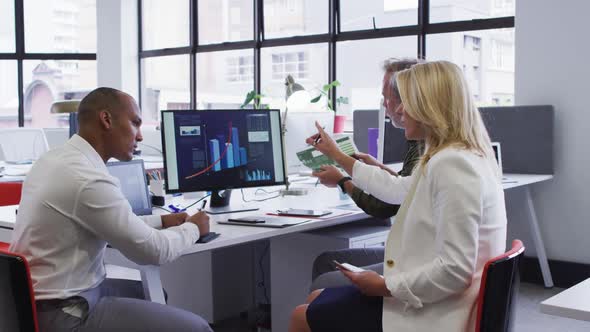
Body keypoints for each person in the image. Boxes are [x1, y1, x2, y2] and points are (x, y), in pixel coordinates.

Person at [289, 61, 507, 332]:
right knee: (314, 300)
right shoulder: (454, 156)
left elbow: (455, 271)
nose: (400, 110)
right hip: (443, 300)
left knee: (301, 315)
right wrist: (338, 156)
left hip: (440, 313)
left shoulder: (452, 166)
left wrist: (384, 286)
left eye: (409, 101)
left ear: (430, 106)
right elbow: (397, 190)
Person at [9, 87, 213, 332]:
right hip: (66, 314)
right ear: (106, 120)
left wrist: (162, 221)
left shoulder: (54, 159)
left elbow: (112, 222)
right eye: (135, 123)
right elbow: (152, 251)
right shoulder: (87, 178)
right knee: (197, 328)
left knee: (156, 293)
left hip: (33, 303)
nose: (139, 136)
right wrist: (194, 227)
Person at [310, 58, 423, 290]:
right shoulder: (422, 143)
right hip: (415, 254)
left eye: (387, 97)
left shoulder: (426, 145)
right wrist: (377, 167)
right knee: (325, 262)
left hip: (415, 265)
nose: (386, 105)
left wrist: (342, 179)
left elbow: (383, 206)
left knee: (324, 274)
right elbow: (409, 188)